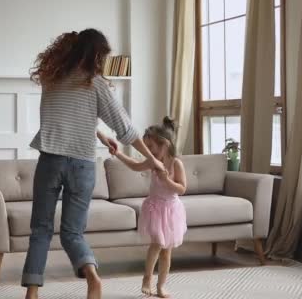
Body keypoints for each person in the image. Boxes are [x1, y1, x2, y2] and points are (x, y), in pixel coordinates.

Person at [23, 28, 165, 299]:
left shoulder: (51, 78)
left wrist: (100, 134)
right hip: (82, 165)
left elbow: (67, 118)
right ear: (96, 55)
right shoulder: (95, 83)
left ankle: (31, 294)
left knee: (40, 228)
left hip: (51, 161)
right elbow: (127, 129)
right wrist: (151, 159)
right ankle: (93, 277)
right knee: (72, 232)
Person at [111, 117, 187, 298]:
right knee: (157, 244)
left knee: (166, 252)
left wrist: (166, 180)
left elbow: (182, 188)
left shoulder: (176, 163)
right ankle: (147, 278)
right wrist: (118, 153)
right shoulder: (153, 162)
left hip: (171, 210)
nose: (148, 152)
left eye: (150, 147)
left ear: (164, 145)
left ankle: (161, 286)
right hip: (155, 208)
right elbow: (135, 166)